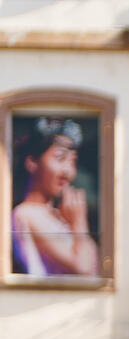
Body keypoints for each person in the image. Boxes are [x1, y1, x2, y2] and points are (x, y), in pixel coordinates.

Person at [11, 117, 99, 277]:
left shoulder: (61, 215)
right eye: (60, 158)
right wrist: (79, 223)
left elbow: (94, 268)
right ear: (32, 162)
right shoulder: (26, 213)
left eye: (73, 162)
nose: (68, 172)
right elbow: (83, 269)